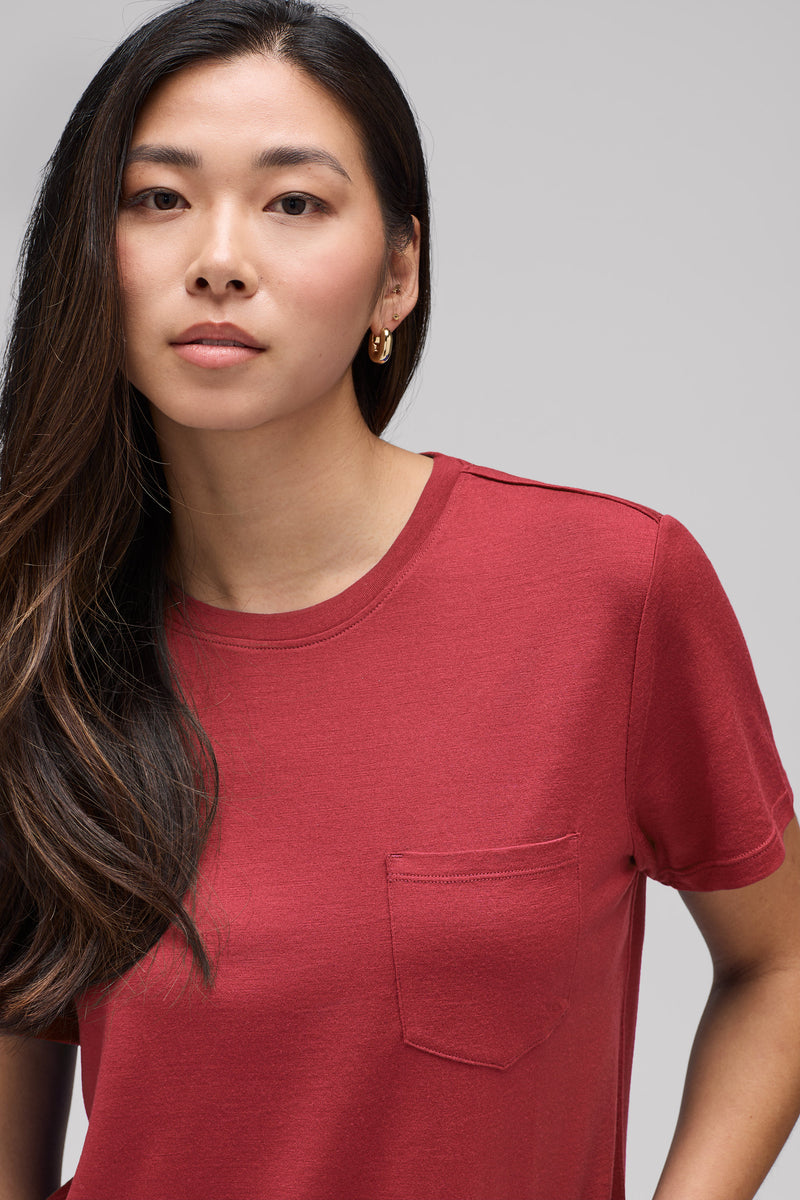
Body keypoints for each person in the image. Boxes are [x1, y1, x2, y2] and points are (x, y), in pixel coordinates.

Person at [0, 1, 797, 1198]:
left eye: (293, 202)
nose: (218, 257)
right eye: (158, 198)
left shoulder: (609, 592)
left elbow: (780, 965)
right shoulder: (34, 648)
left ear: (397, 274)